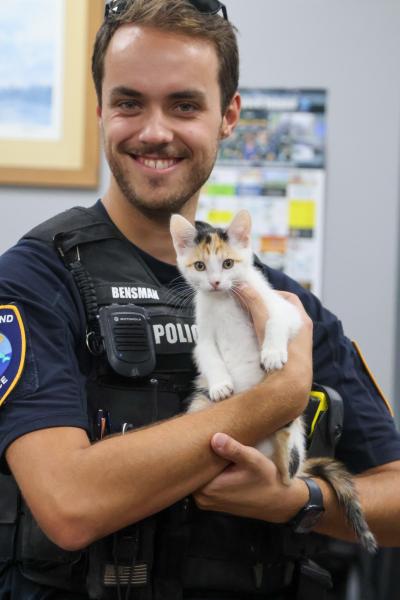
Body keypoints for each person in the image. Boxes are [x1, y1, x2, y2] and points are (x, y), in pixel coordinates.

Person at [0, 1, 399, 598]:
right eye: (129, 102)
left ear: (228, 115)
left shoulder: (288, 304)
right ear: (102, 108)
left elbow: (393, 491)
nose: (154, 130)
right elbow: (69, 504)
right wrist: (276, 397)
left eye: (184, 104)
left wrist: (294, 498)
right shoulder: (34, 281)